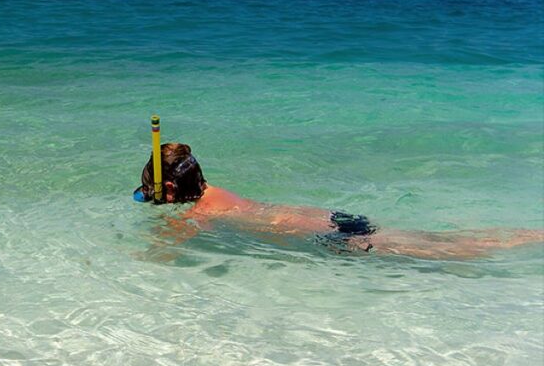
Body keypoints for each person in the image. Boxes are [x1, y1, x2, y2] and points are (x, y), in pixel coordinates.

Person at [136, 142, 543, 259]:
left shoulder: (202, 211)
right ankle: (528, 234)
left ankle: (528, 240)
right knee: (437, 240)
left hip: (330, 238)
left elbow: (163, 252)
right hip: (332, 219)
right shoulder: (216, 192)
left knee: (456, 252)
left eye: (155, 189)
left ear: (170, 190)